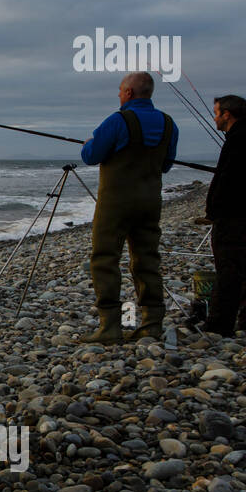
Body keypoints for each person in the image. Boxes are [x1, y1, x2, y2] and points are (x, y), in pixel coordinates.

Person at [79, 72, 179, 343]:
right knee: (147, 259)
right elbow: (166, 165)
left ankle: (110, 326)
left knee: (105, 258)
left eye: (121, 91)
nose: (119, 96)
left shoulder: (118, 120)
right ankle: (151, 324)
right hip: (150, 202)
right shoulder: (169, 125)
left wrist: (89, 144)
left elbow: (91, 156)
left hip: (116, 202)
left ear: (129, 93)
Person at [203, 95, 246, 336]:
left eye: (217, 113)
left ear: (227, 115)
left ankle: (220, 325)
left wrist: (213, 210)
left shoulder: (237, 141)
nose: (215, 118)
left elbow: (226, 181)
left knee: (228, 270)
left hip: (233, 218)